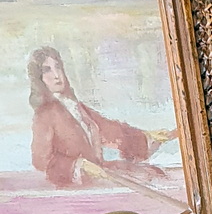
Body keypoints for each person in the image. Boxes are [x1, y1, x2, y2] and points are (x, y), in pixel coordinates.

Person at [28, 46, 173, 188]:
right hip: (73, 187)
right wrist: (79, 165)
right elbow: (41, 160)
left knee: (154, 174)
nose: (56, 75)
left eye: (58, 67)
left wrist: (146, 136)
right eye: (47, 70)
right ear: (39, 78)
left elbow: (108, 129)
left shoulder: (75, 106)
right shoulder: (44, 115)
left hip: (98, 177)